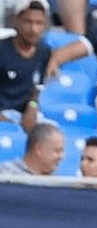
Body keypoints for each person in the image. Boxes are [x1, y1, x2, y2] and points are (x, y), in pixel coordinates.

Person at [0, 0, 51, 133]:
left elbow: (36, 89)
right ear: (15, 21)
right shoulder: (2, 50)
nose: (33, 29)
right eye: (28, 22)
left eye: (39, 23)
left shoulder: (44, 52)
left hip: (24, 116)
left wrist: (32, 107)